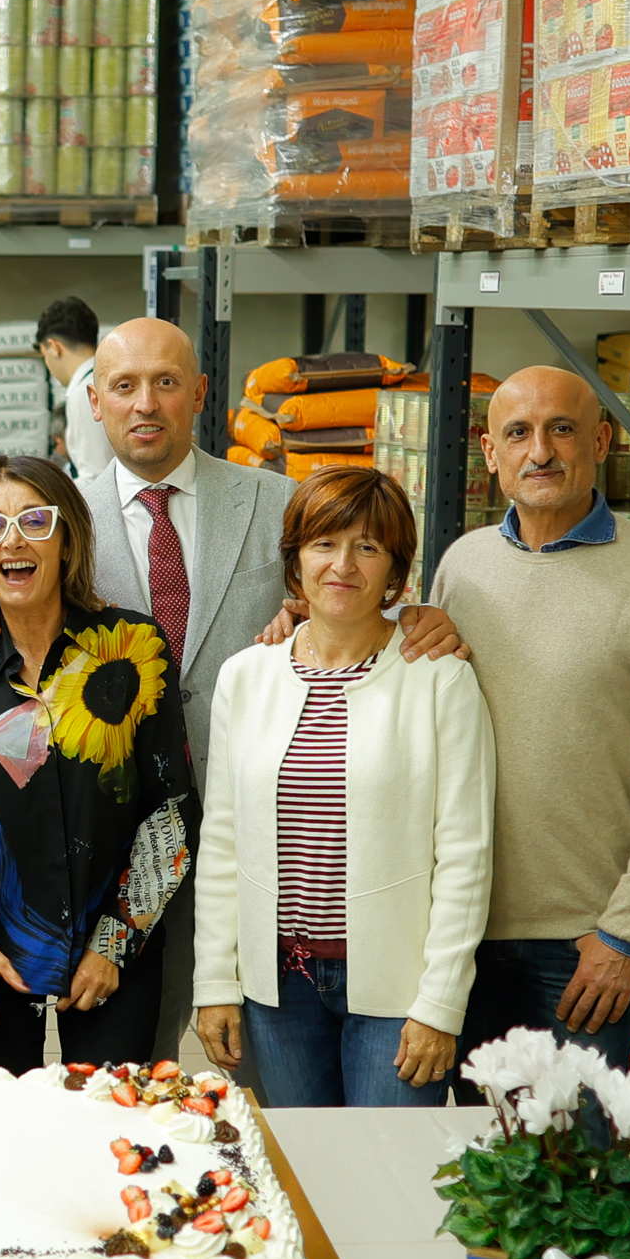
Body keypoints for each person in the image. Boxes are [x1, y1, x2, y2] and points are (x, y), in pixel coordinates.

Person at [0, 317, 463, 1062]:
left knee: (258, 1071)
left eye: (166, 382)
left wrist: (418, 616)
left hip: (264, 846)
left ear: (201, 393)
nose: (145, 403)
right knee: (138, 1073)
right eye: (123, 386)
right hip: (118, 854)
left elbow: (353, 581)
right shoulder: (53, 516)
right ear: (94, 401)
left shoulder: (279, 502)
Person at [436, 366, 630, 1070]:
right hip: (456, 932)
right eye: (518, 433)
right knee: (473, 1135)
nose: (540, 451)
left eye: (561, 429)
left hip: (580, 949)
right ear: (490, 453)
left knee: (581, 1140)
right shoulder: (462, 568)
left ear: (600, 441)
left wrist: (626, 935)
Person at [192, 466, 496, 1107]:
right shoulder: (246, 677)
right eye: (324, 543)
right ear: (295, 561)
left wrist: (440, 1002)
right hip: (278, 989)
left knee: (386, 1162)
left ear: (396, 571)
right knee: (300, 1161)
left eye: (368, 547)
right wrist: (215, 980)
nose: (343, 565)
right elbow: (221, 840)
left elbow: (465, 855)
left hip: (396, 989)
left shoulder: (439, 679)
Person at [0, 455, 197, 1073]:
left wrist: (116, 942)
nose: (12, 540)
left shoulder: (135, 648)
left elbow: (171, 815)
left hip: (114, 950)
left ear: (67, 539)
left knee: (107, 1119)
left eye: (34, 521)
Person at [38, 295, 110, 482]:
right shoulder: (107, 379)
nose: (49, 366)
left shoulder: (84, 394)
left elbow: (95, 478)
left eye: (44, 355)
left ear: (54, 347)